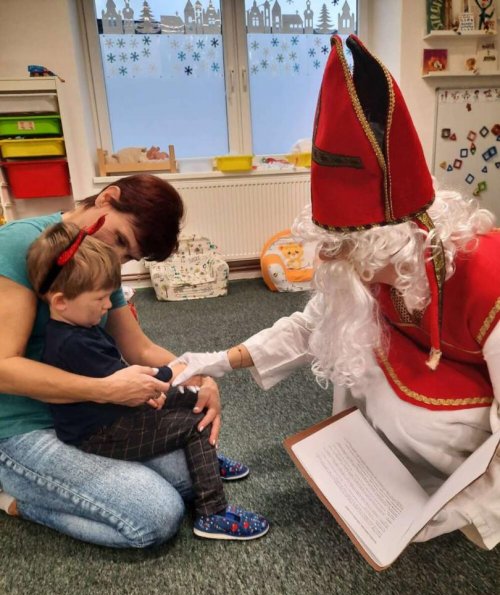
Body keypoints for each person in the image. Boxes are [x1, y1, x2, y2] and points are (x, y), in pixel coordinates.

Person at [170, 34, 500, 551]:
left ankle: (435, 490)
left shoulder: (489, 279)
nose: (328, 262)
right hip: (424, 364)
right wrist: (216, 360)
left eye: (343, 251)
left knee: (409, 418)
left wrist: (459, 513)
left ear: (393, 244)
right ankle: (379, 473)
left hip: (473, 396)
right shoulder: (379, 269)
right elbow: (311, 327)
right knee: (349, 348)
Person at [0, 173, 251, 548]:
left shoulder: (98, 262)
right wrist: (104, 390)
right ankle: (16, 499)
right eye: (120, 239)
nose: (116, 258)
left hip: (90, 418)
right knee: (157, 516)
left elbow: (140, 349)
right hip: (22, 427)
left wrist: (200, 377)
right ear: (107, 198)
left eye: (128, 256)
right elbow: (3, 366)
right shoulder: (20, 242)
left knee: (193, 476)